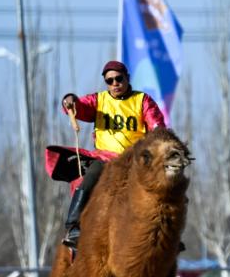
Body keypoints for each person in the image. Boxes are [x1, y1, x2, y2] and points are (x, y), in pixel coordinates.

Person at [59, 60, 166, 250]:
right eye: (110, 81)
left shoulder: (143, 100)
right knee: (89, 179)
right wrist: (69, 99)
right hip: (105, 158)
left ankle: (168, 231)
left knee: (165, 183)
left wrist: (159, 140)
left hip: (136, 159)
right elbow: (78, 106)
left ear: (127, 78)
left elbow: (156, 125)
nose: (115, 84)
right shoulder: (98, 100)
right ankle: (73, 226)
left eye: (118, 79)